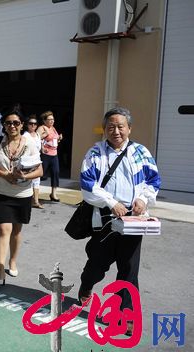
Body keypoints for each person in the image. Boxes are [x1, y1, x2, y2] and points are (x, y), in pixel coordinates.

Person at [77, 107, 161, 335]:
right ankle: (86, 285)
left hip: (133, 221)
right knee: (97, 266)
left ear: (129, 129)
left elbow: (153, 180)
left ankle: (126, 317)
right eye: (111, 126)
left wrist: (143, 199)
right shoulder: (95, 153)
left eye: (121, 126)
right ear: (104, 129)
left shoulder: (141, 152)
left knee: (129, 270)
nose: (116, 131)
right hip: (104, 219)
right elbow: (87, 184)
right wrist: (111, 202)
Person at [0, 108, 43, 285]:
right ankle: (1, 270)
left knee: (17, 231)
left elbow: (40, 170)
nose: (12, 126)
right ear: (4, 125)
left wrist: (24, 177)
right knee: (4, 231)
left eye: (16, 123)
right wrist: (4, 175)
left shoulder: (30, 144)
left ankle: (12, 261)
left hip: (23, 193)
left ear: (22, 125)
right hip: (1, 192)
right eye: (8, 123)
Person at [37, 111, 63, 202]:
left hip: (54, 154)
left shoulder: (53, 128)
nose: (52, 121)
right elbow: (36, 139)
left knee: (55, 173)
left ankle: (53, 194)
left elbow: (53, 140)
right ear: (44, 121)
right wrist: (42, 148)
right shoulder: (42, 128)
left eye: (53, 119)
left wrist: (59, 138)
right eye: (50, 119)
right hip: (45, 155)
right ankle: (33, 192)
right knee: (41, 174)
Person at [23, 114, 44, 208]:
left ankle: (35, 201)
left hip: (37, 160)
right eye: (30, 123)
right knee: (27, 180)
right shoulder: (25, 136)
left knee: (36, 181)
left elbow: (39, 147)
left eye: (35, 124)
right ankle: (27, 200)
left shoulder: (38, 135)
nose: (33, 125)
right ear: (27, 125)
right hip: (28, 161)